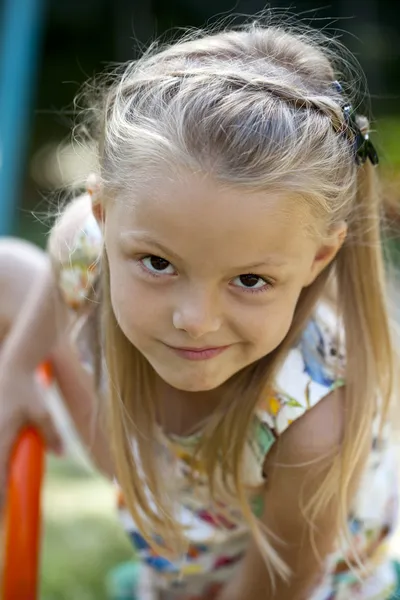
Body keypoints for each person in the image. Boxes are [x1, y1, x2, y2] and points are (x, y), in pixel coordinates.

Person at [0, 20, 399, 600]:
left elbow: (279, 584)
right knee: (10, 269)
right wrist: (14, 372)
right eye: (159, 264)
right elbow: (68, 241)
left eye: (250, 279)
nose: (195, 319)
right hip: (169, 488)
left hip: (283, 585)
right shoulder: (86, 239)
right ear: (105, 212)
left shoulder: (314, 422)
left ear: (318, 258)